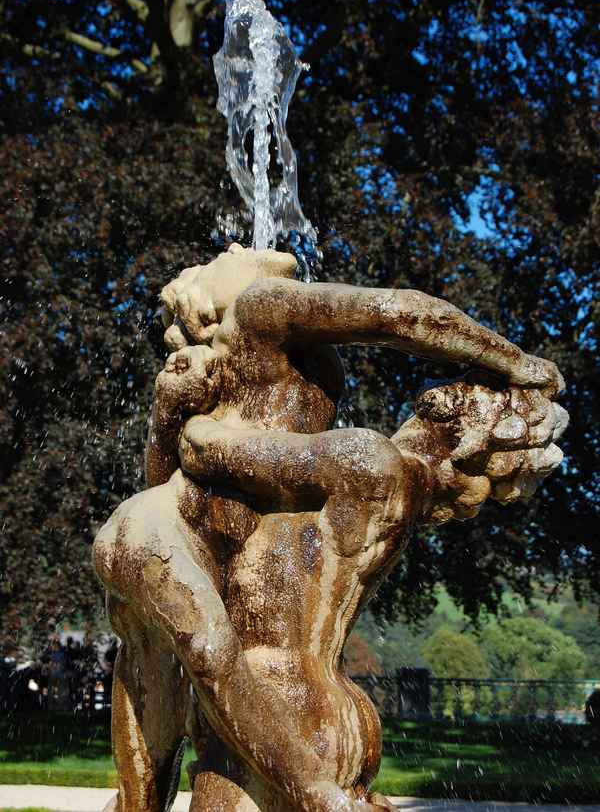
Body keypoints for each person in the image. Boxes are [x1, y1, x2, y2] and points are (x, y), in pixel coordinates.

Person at [94, 244, 564, 812]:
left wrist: (176, 420)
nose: (238, 245)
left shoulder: (229, 380)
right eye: (223, 254)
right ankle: (318, 798)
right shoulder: (257, 306)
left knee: (160, 700)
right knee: (208, 651)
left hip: (183, 537)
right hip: (153, 535)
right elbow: (400, 314)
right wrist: (518, 361)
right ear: (210, 303)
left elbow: (180, 471)